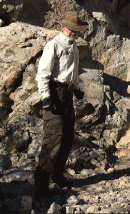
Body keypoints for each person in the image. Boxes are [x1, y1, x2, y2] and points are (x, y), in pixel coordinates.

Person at [34, 11, 87, 198]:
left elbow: (72, 71)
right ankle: (40, 184)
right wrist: (47, 99)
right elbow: (43, 74)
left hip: (67, 93)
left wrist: (77, 87)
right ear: (64, 28)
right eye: (73, 30)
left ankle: (57, 175)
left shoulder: (73, 46)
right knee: (53, 138)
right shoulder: (53, 45)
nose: (76, 33)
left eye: (77, 30)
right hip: (54, 92)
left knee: (67, 136)